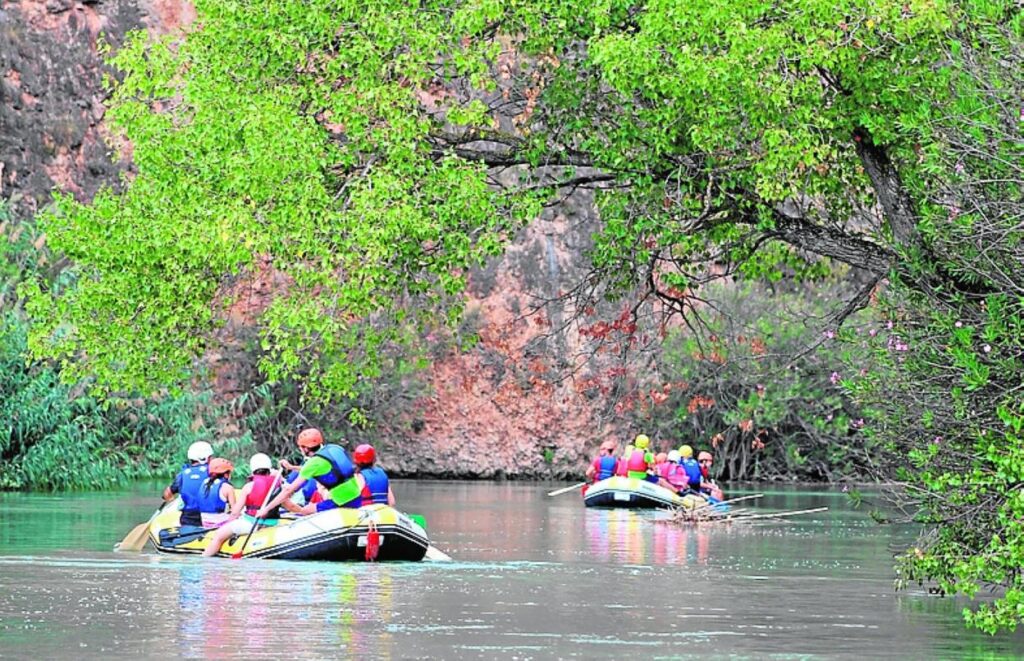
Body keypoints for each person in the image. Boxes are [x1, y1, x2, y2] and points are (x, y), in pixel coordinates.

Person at [254, 428, 362, 519]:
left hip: (341, 501)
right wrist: (291, 467)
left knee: (305, 510)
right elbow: (322, 469)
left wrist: (266, 509)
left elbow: (288, 490)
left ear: (305, 448)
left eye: (300, 447)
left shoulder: (313, 463)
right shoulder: (334, 448)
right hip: (357, 496)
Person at [201, 453, 282, 557]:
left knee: (219, 536)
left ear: (253, 469)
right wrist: (302, 512)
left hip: (251, 524)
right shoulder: (277, 486)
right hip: (272, 523)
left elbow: (235, 513)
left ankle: (204, 558)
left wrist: (227, 526)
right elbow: (290, 506)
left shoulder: (248, 487)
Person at [163, 441, 213, 528]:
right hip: (208, 519)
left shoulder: (182, 475)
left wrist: (172, 501)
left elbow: (167, 494)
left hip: (187, 519)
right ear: (205, 458)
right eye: (210, 457)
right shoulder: (213, 472)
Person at [198, 458, 236, 528]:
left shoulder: (204, 483)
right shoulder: (227, 487)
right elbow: (235, 512)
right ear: (226, 475)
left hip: (204, 522)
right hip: (221, 523)